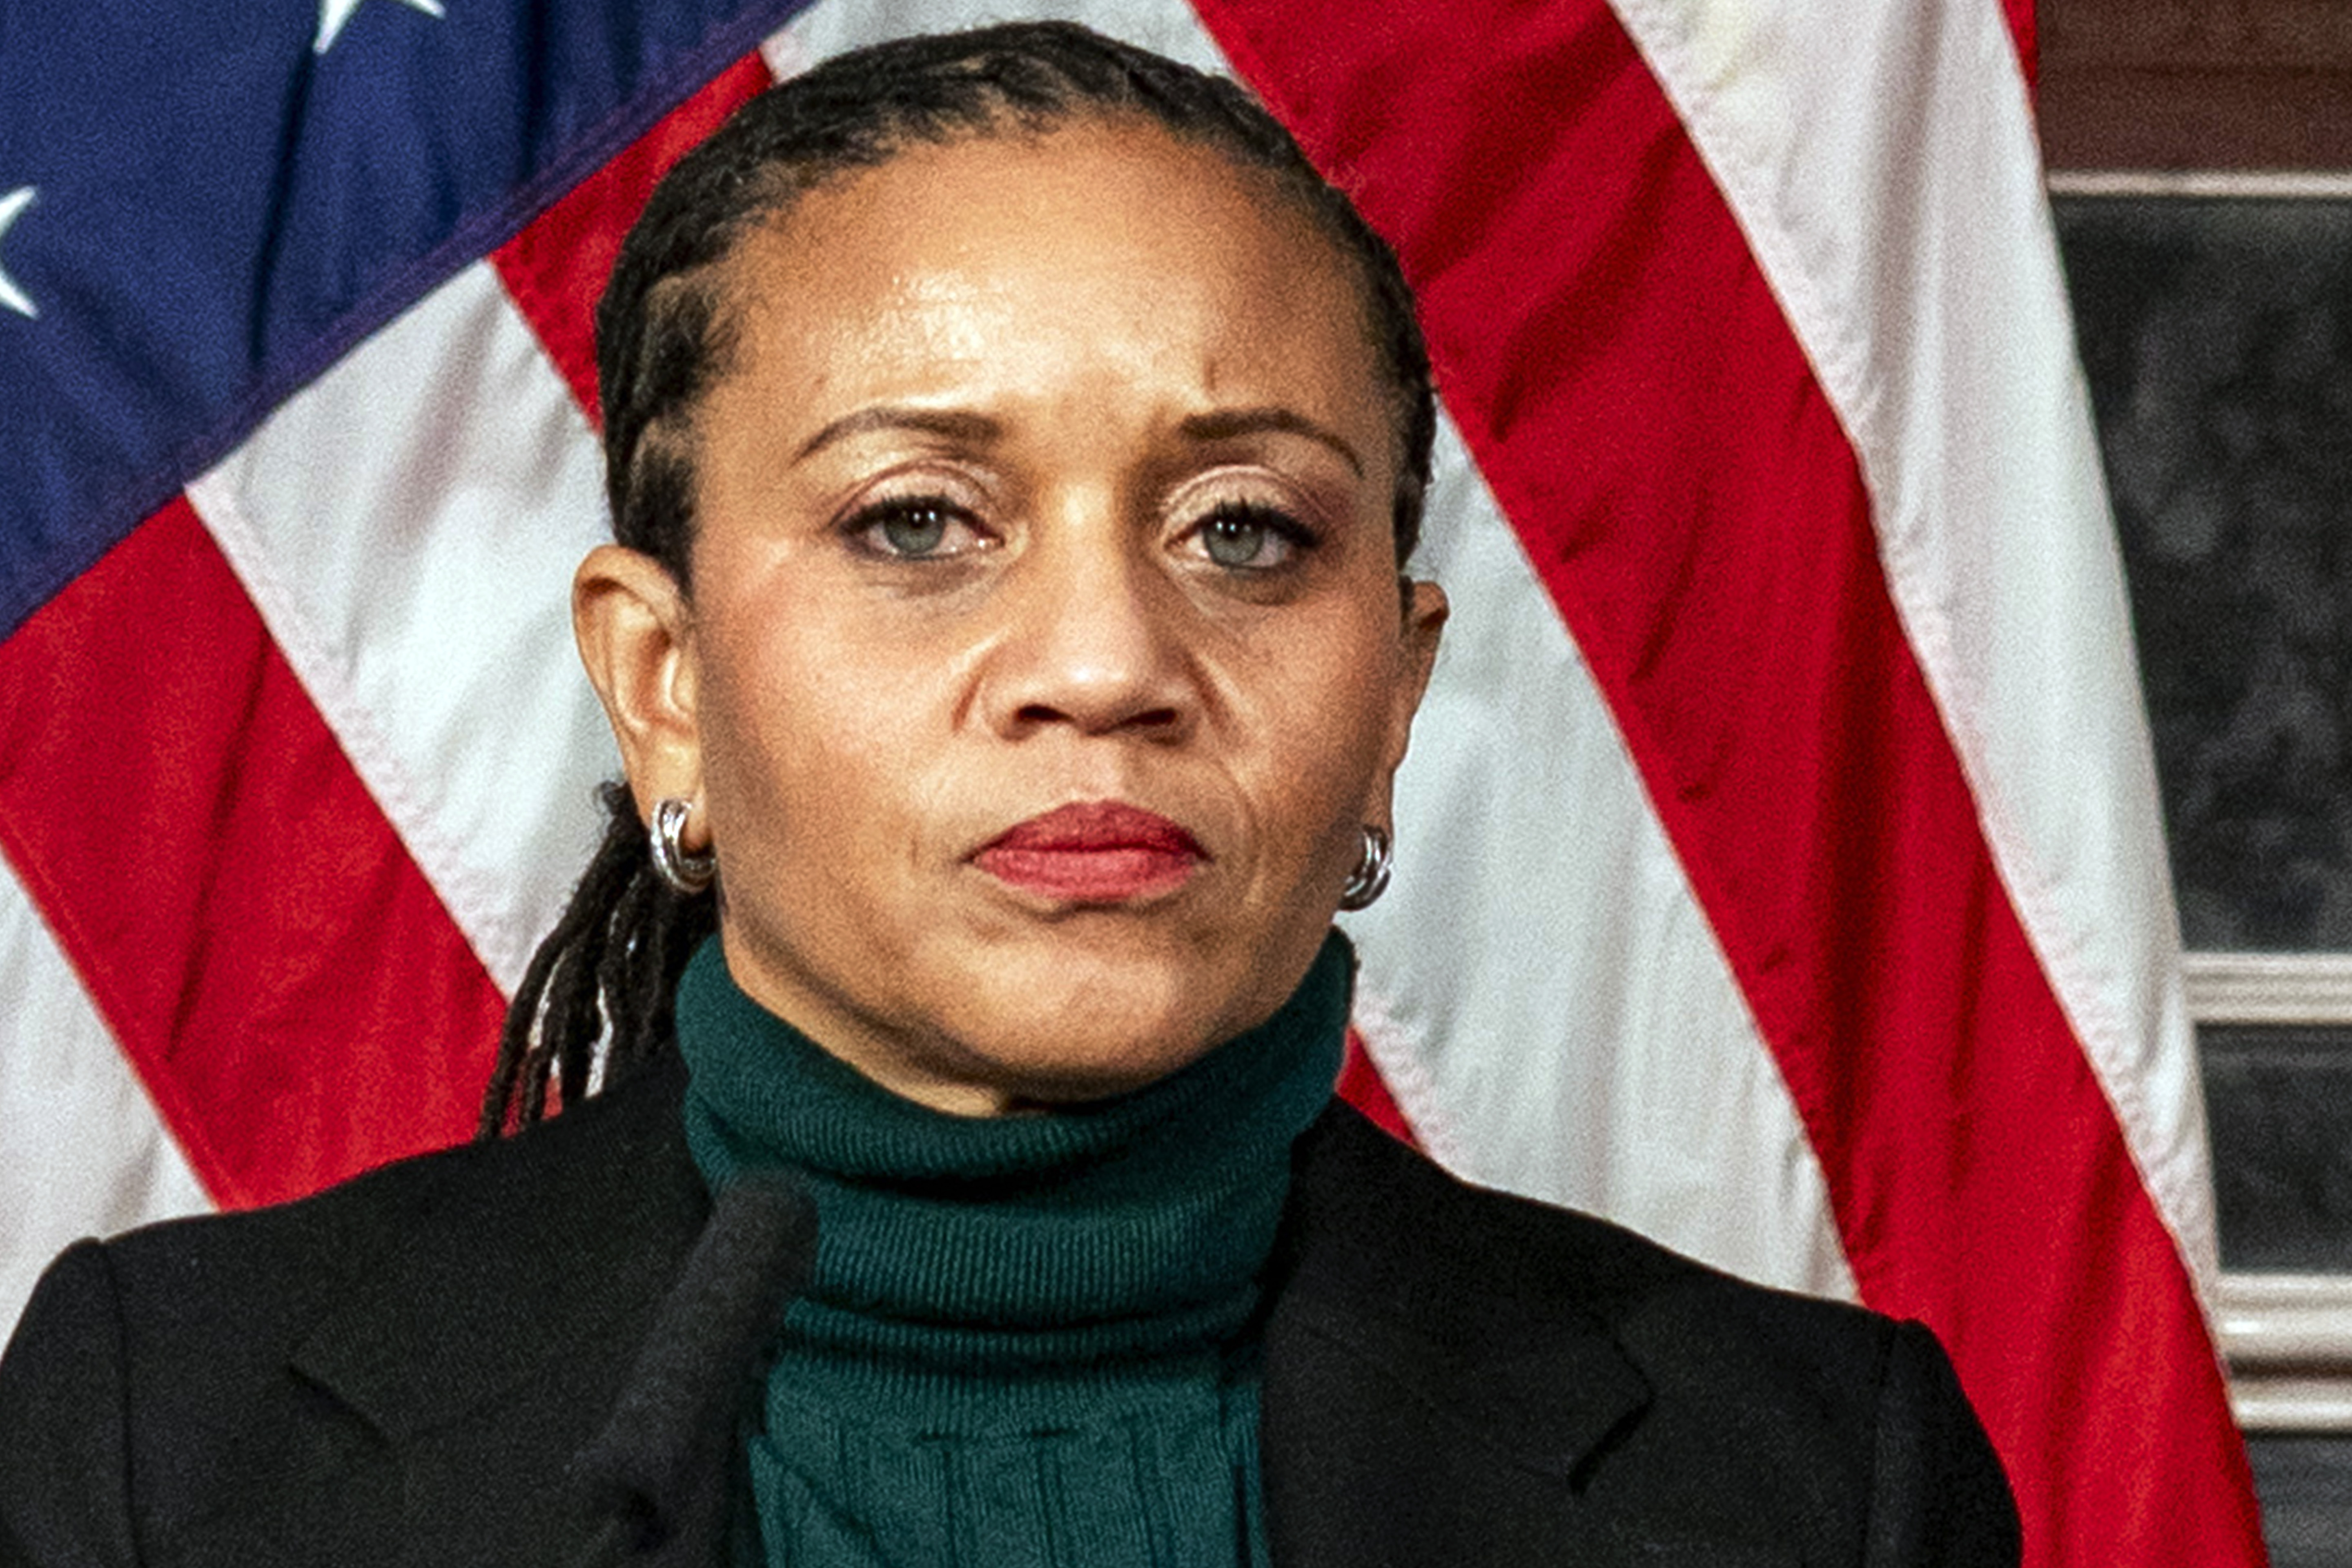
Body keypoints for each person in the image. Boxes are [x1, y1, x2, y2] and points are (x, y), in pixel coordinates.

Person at [0, 22, 2019, 1568]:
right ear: (665, 680)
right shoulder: (163, 1437)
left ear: (1397, 695)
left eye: (1243, 531)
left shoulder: (1821, 1478)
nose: (1107, 666)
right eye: (917, 522)